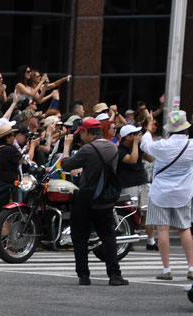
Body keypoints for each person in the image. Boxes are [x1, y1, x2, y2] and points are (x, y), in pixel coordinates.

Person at [55, 117, 128, 286]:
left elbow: (66, 165)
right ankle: (115, 275)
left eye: (81, 133)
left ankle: (84, 275)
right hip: (105, 197)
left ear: (87, 132)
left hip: (87, 196)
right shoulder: (112, 147)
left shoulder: (87, 150)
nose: (79, 136)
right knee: (108, 235)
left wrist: (66, 146)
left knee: (80, 236)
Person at [140, 110, 193, 281]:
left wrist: (149, 127)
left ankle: (166, 269)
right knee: (184, 229)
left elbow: (145, 145)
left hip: (160, 192)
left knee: (162, 229)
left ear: (169, 129)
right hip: (183, 193)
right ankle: (191, 267)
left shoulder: (163, 145)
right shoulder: (191, 146)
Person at [0, 119, 24, 249]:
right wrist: (32, 147)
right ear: (7, 138)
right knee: (7, 215)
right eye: (12, 135)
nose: (14, 137)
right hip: (7, 186)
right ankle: (5, 244)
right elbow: (21, 161)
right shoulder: (9, 150)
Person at [116, 123, 154, 250]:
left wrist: (144, 144)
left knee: (146, 210)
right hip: (128, 184)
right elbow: (132, 160)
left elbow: (150, 158)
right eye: (134, 134)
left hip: (142, 181)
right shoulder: (120, 150)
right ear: (127, 137)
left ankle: (151, 240)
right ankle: (129, 238)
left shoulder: (137, 147)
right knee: (130, 211)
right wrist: (136, 145)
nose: (138, 136)